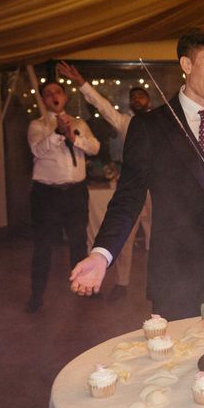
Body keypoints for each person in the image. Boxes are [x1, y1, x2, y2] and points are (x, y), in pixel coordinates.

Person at [69, 25, 204, 320]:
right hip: (176, 273)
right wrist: (101, 254)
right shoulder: (149, 127)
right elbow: (128, 198)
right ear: (186, 64)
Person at [57, 61, 153, 300]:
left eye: (142, 96)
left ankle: (158, 284)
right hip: (133, 188)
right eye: (135, 97)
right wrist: (81, 83)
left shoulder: (161, 123)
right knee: (126, 234)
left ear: (149, 101)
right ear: (131, 103)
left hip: (159, 189)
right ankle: (122, 283)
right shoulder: (125, 123)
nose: (138, 100)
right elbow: (102, 104)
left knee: (156, 235)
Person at [26, 81, 100, 313]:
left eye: (57, 92)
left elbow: (95, 148)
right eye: (48, 94)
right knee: (43, 246)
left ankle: (84, 288)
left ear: (65, 96)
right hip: (47, 194)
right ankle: (36, 296)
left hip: (76, 193)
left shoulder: (79, 123)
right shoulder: (37, 125)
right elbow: (36, 150)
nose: (53, 96)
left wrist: (73, 136)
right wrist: (58, 133)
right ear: (43, 100)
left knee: (79, 242)